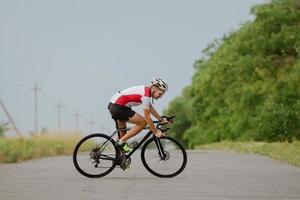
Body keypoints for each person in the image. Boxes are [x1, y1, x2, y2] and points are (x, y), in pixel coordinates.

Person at [108, 77, 170, 153]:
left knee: (123, 136)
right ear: (154, 88)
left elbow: (150, 108)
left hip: (116, 105)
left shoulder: (146, 91)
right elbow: (147, 117)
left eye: (162, 95)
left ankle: (120, 159)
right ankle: (120, 142)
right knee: (143, 122)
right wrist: (156, 132)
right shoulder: (146, 95)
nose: (160, 96)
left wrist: (160, 119)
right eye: (160, 93)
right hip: (119, 107)